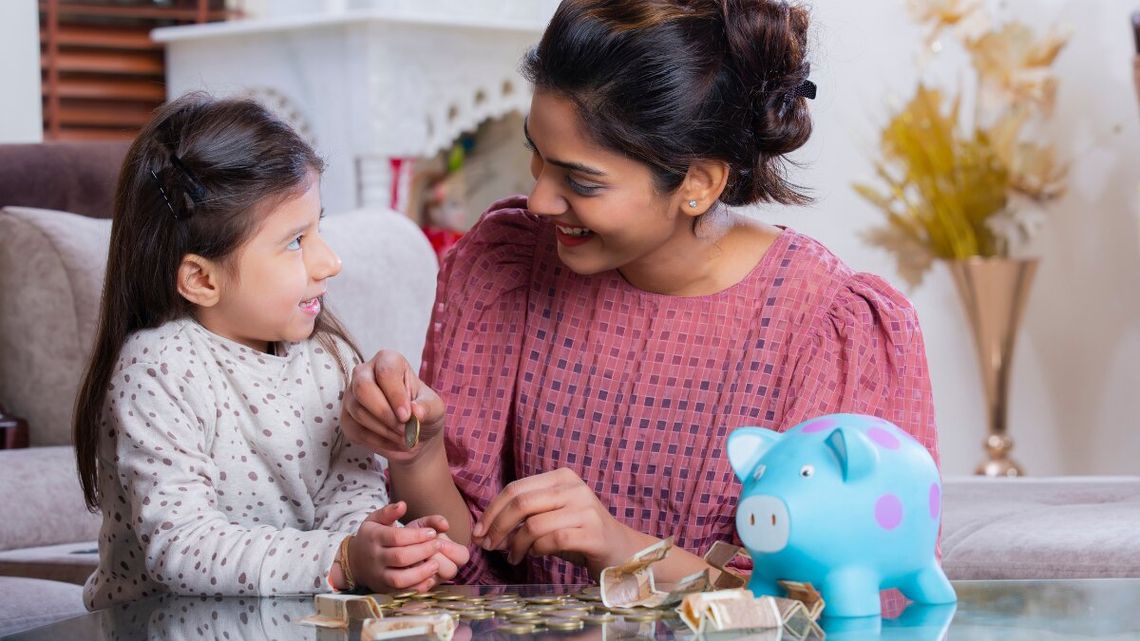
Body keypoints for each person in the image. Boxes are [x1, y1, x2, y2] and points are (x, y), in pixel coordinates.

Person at [341, 0, 939, 591]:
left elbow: (829, 610)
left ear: (699, 183)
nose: (541, 201)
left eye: (580, 181)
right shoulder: (505, 264)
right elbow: (464, 570)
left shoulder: (830, 328)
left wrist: (618, 547)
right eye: (536, 157)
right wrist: (416, 449)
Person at [73, 94, 468, 610]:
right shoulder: (159, 368)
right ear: (200, 278)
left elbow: (350, 493)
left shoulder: (326, 356)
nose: (329, 262)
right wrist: (343, 559)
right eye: (294, 242)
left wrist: (380, 546)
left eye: (318, 228)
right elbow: (181, 548)